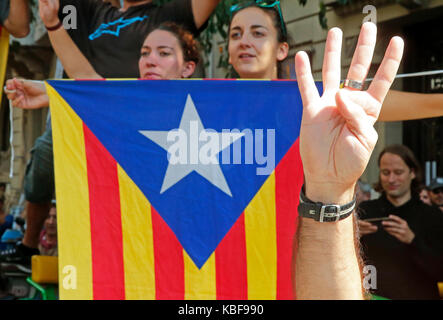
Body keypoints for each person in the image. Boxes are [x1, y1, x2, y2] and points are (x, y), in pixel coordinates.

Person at [1, 0, 218, 268]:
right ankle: (30, 244)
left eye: (162, 53)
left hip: (144, 133)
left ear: (188, 67)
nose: (151, 61)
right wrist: (51, 84)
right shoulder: (89, 11)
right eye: (145, 52)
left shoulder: (169, 14)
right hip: (91, 121)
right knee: (47, 151)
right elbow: (86, 77)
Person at [228, 1, 403, 299]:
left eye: (257, 32)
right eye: (235, 34)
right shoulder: (205, 108)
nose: (244, 41)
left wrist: (331, 192)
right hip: (237, 268)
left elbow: (384, 104)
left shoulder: (318, 104)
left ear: (282, 49)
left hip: (304, 263)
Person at [358, 145, 443, 299]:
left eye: (398, 172)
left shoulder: (432, 216)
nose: (391, 179)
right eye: (385, 172)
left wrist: (413, 240)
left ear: (412, 173)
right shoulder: (365, 211)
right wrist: (352, 238)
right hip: (375, 295)